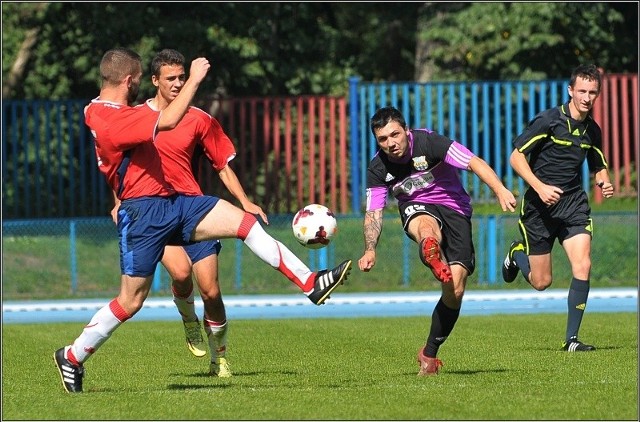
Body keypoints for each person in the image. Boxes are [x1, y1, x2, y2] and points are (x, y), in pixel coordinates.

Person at [53, 47, 352, 393]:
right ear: (133, 80)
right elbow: (165, 121)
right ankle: (72, 356)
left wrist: (244, 200)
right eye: (167, 79)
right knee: (131, 300)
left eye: (181, 78)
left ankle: (310, 283)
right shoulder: (109, 117)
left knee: (244, 223)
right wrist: (195, 78)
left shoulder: (111, 111)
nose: (176, 83)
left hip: (177, 202)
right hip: (144, 213)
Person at [357, 106, 516, 376]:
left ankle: (429, 354)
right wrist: (370, 249)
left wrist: (499, 188)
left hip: (455, 209)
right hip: (417, 208)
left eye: (395, 135)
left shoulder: (430, 142)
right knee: (426, 227)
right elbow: (373, 212)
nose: (390, 143)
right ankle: (431, 251)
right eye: (382, 139)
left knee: (455, 291)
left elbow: (472, 161)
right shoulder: (378, 168)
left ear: (406, 131)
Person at [501, 64, 614, 352]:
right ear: (570, 91)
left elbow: (598, 165)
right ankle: (517, 254)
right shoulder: (549, 121)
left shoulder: (593, 130)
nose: (587, 98)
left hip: (573, 204)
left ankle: (572, 340)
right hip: (540, 207)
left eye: (592, 92)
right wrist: (539, 186)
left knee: (583, 264)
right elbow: (516, 158)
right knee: (542, 282)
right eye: (582, 91)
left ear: (597, 93)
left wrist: (605, 182)